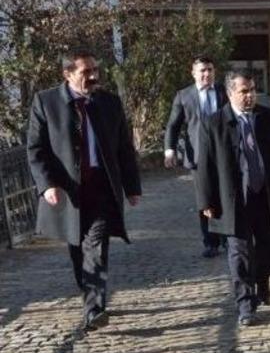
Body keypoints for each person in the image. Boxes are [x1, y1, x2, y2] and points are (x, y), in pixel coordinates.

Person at [27, 50, 142, 330]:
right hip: (70, 191)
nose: (92, 77)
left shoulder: (109, 103)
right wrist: (47, 185)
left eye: (94, 70)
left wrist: (131, 186)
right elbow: (36, 149)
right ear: (67, 74)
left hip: (102, 187)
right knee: (77, 248)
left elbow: (124, 149)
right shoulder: (46, 102)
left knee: (96, 246)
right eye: (85, 72)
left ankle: (94, 308)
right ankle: (89, 292)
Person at [196, 70, 270, 326]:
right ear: (230, 93)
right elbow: (205, 167)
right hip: (234, 200)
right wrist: (206, 202)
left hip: (267, 197)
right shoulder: (213, 123)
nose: (250, 95)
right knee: (240, 252)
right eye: (244, 91)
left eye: (253, 89)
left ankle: (262, 279)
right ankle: (245, 305)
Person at [164, 55, 228, 258]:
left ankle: (228, 238)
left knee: (227, 195)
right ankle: (210, 242)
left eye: (210, 69)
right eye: (202, 70)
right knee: (205, 199)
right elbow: (173, 125)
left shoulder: (223, 92)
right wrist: (169, 150)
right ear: (194, 73)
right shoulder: (184, 96)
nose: (206, 74)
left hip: (223, 152)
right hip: (198, 155)